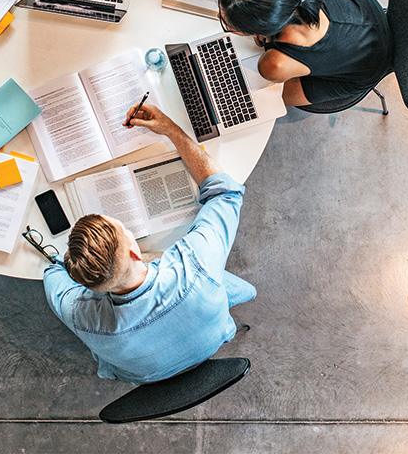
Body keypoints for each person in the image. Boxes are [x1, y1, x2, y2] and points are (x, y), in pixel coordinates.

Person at [43, 103, 255, 384]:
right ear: (134, 251)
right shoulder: (195, 266)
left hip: (145, 375)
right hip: (213, 336)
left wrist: (69, 262)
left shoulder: (80, 315)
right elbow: (226, 193)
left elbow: (53, 274)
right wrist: (171, 130)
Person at [217, 0, 394, 108]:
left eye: (226, 24)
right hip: (364, 9)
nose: (218, 16)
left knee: (264, 99)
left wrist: (267, 39)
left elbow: (272, 66)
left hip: (367, 68)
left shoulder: (273, 64)